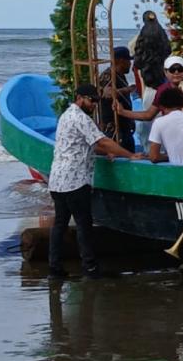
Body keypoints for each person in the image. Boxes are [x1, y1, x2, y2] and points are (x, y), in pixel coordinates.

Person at [48, 84, 140, 281]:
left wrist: (107, 152)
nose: (94, 105)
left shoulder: (66, 115)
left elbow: (83, 145)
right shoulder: (81, 118)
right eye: (92, 100)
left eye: (97, 101)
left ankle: (54, 268)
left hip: (57, 179)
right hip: (75, 181)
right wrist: (130, 155)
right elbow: (102, 141)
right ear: (79, 98)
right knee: (83, 225)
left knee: (60, 225)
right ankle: (90, 268)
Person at [119, 56, 183, 122]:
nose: (176, 72)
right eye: (172, 70)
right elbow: (149, 115)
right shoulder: (162, 90)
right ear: (165, 72)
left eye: (180, 69)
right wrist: (123, 112)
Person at [97, 46, 136, 152]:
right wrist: (127, 90)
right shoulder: (108, 76)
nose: (130, 64)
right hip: (114, 129)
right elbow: (108, 93)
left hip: (124, 127)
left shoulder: (120, 75)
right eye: (129, 61)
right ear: (121, 61)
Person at [146, 87, 183, 164]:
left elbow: (153, 157)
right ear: (182, 103)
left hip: (174, 171)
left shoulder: (159, 122)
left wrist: (168, 156)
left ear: (161, 106)